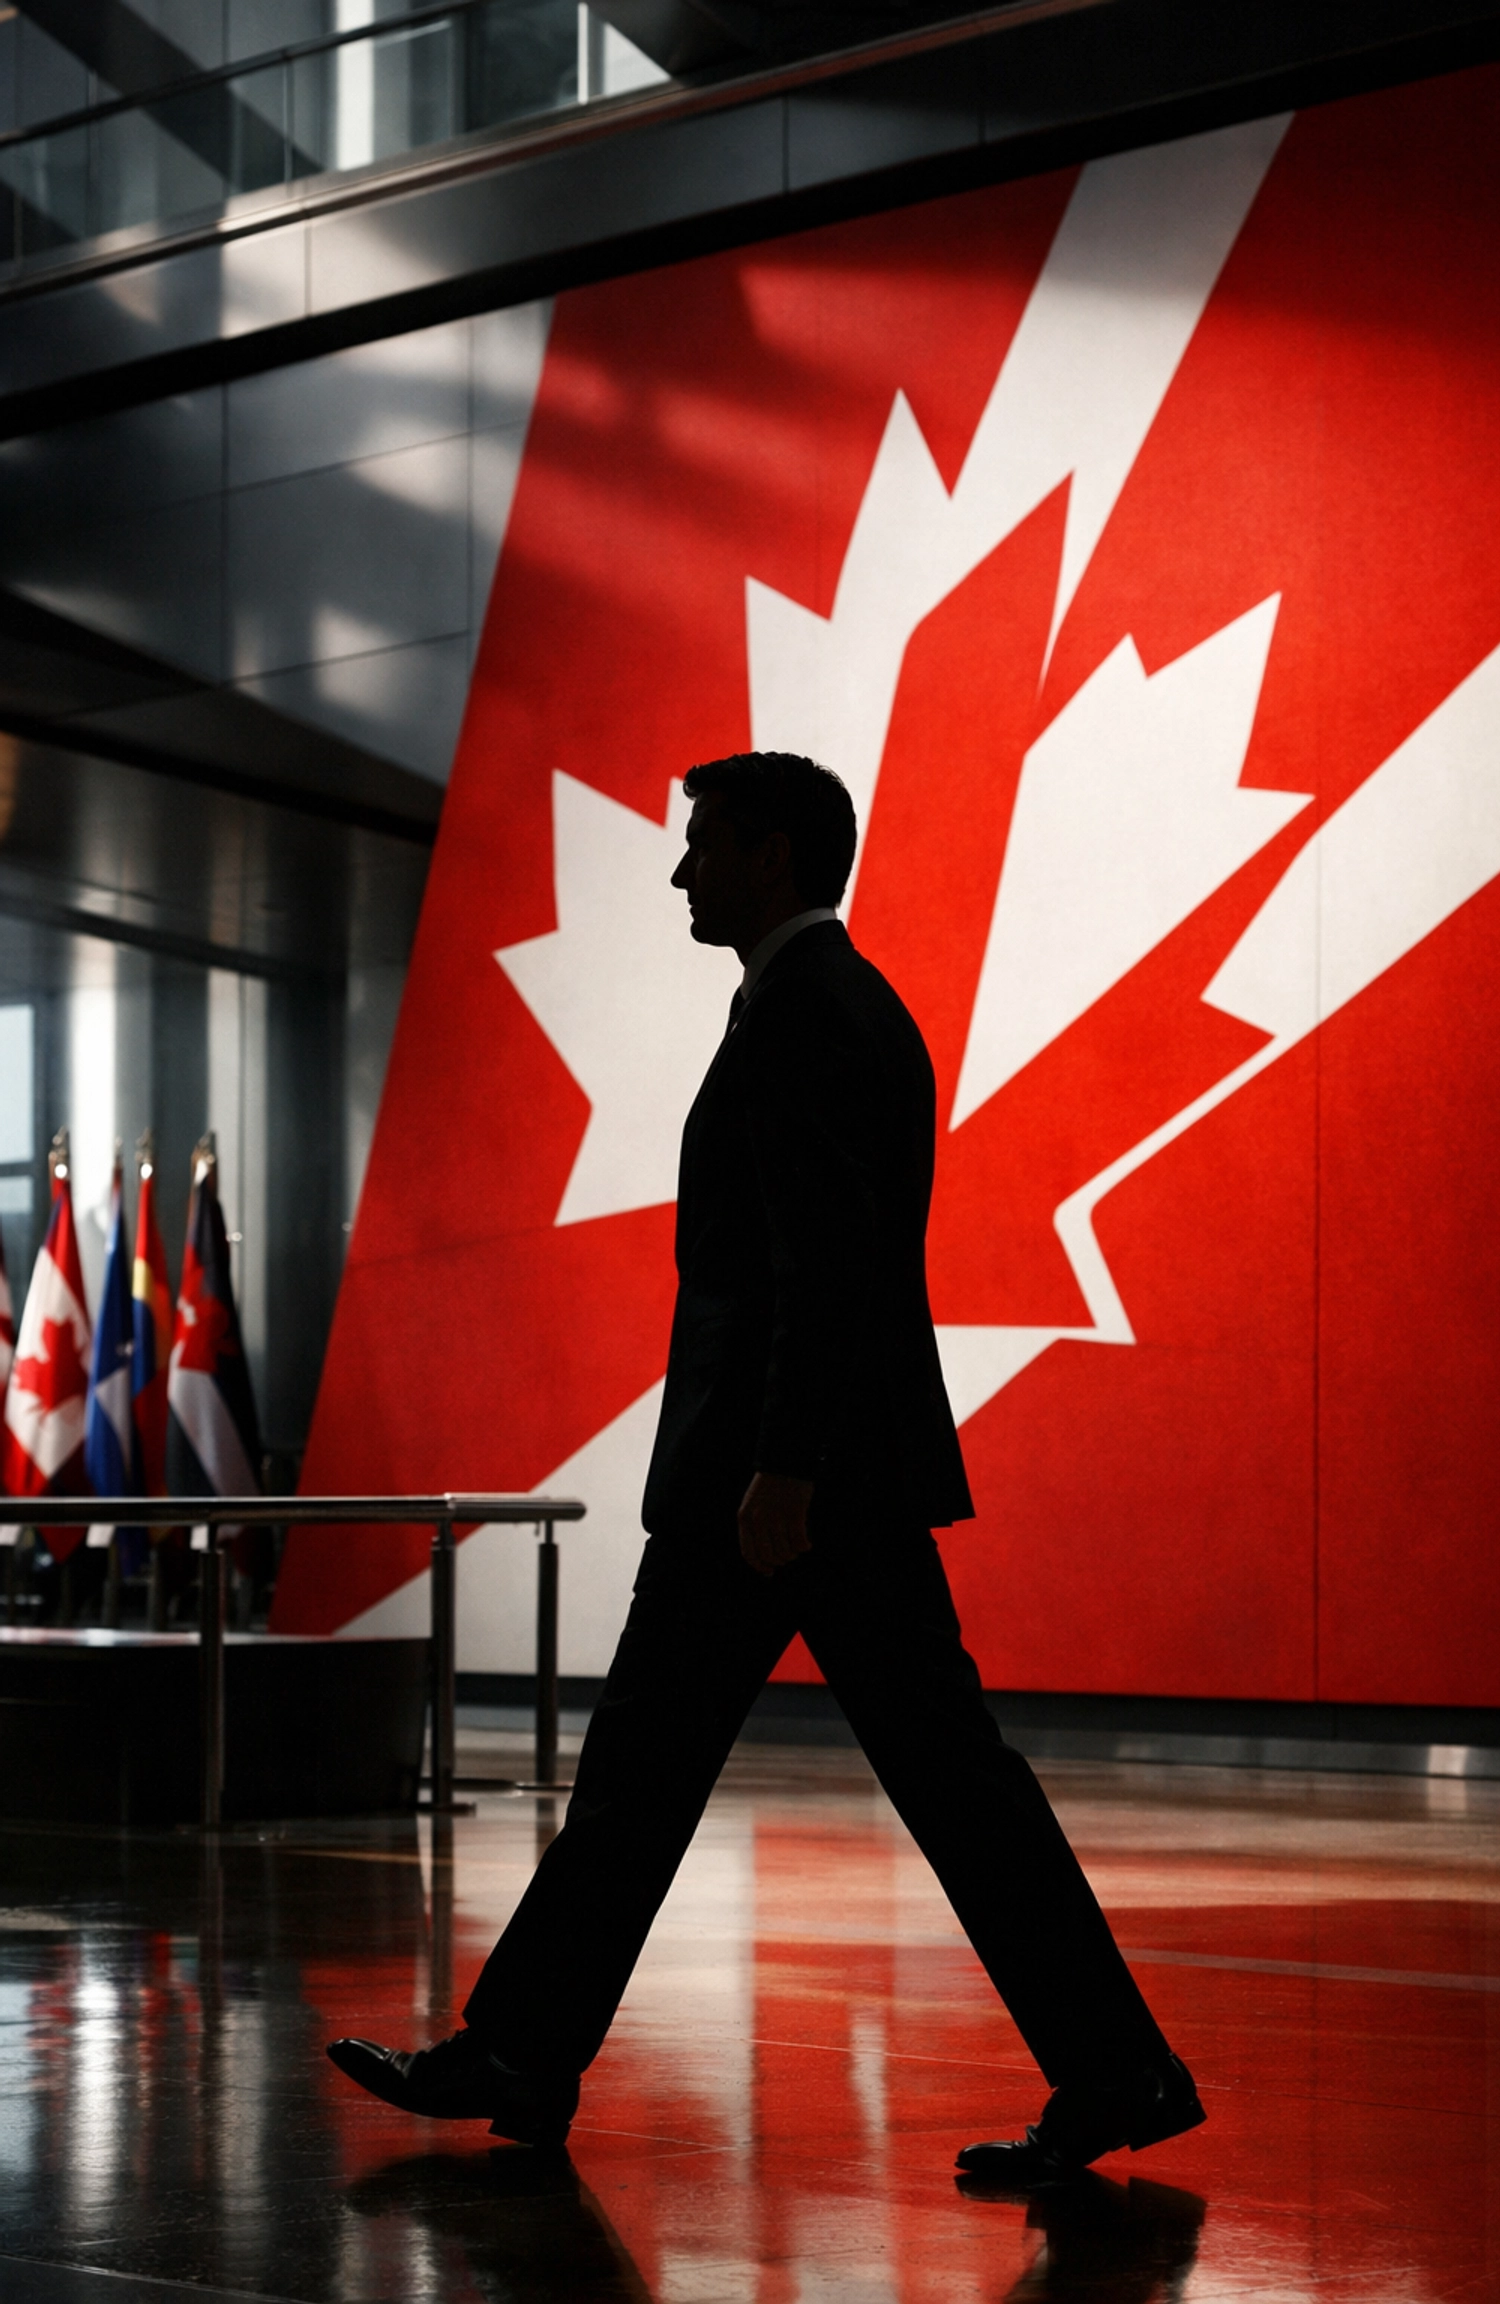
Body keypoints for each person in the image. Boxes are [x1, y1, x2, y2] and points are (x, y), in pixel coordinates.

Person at [329, 751, 1204, 2186]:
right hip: (797, 1482)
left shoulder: (808, 1016)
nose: (682, 871)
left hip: (788, 1489)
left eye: (706, 845)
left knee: (748, 1778)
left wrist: (784, 1469)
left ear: (778, 855)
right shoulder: (822, 1007)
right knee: (734, 1775)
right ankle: (527, 2056)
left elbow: (827, 1268)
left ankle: (525, 2056)